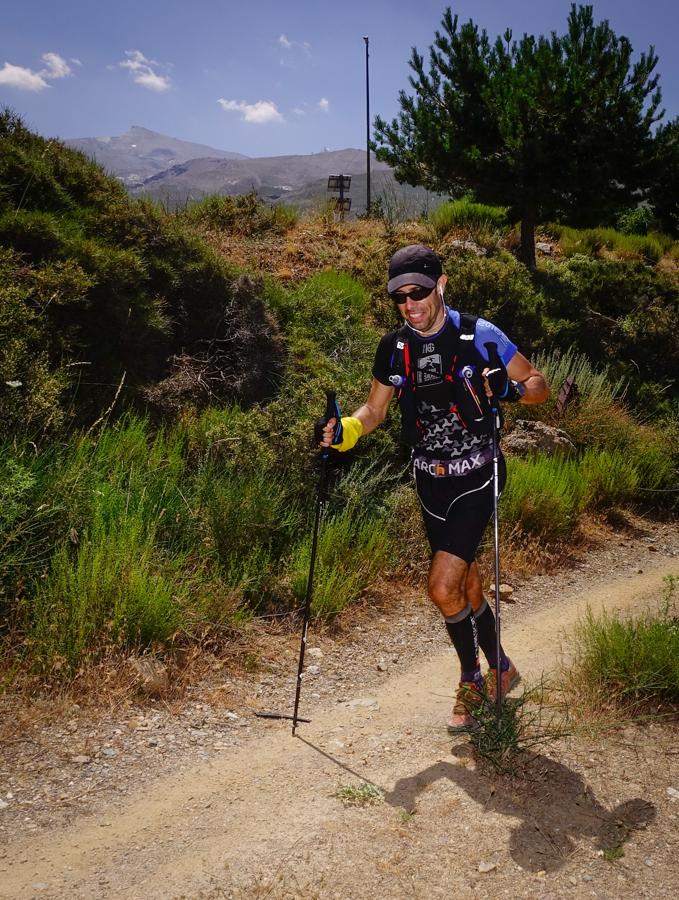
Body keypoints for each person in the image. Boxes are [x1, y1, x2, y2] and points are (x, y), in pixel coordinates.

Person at [319, 245, 549, 731]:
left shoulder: (478, 336)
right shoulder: (395, 347)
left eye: (419, 292)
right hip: (430, 482)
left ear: (440, 285)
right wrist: (345, 431)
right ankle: (501, 668)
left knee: (442, 587)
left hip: (478, 475)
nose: (410, 304)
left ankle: (471, 678)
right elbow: (375, 411)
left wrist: (510, 390)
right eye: (400, 297)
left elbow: (537, 383)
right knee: (465, 583)